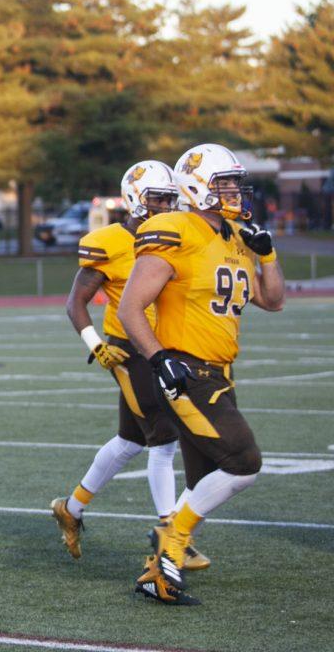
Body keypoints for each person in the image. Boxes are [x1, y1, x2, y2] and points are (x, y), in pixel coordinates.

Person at [118, 143, 284, 606]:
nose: (234, 191)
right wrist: (158, 358)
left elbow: (273, 300)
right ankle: (169, 544)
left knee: (203, 478)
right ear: (195, 186)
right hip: (186, 367)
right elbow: (131, 307)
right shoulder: (174, 228)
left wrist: (267, 255)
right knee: (243, 462)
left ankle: (161, 571)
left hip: (221, 370)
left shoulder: (234, 235)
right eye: (224, 183)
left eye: (235, 182)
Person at [51, 161, 208, 568]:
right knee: (164, 439)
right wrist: (96, 344)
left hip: (166, 347)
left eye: (169, 198)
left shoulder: (175, 236)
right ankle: (171, 536)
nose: (164, 205)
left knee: (129, 441)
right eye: (157, 197)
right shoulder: (110, 242)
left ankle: (71, 508)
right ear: (136, 197)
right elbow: (75, 304)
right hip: (127, 350)